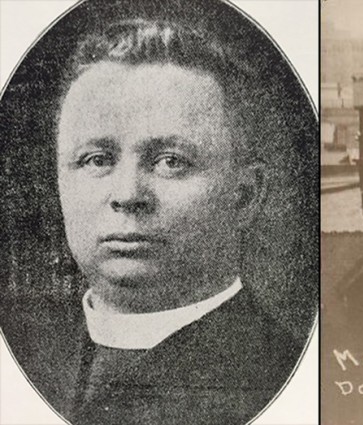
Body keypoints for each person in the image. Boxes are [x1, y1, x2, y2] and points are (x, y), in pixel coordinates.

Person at [26, 17, 302, 424]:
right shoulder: (28, 369)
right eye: (97, 160)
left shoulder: (278, 376)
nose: (128, 195)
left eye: (171, 162)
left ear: (244, 196)